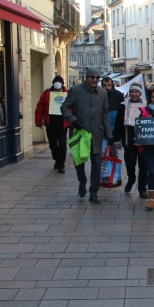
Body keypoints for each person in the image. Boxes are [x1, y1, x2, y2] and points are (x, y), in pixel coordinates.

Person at [61, 67, 113, 204]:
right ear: (87, 78)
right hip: (80, 132)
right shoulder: (76, 90)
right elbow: (64, 107)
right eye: (92, 77)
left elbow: (105, 114)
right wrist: (73, 120)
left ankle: (94, 192)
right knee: (79, 161)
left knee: (96, 164)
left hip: (96, 133)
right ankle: (82, 180)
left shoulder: (102, 93)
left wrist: (109, 134)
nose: (95, 80)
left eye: (97, 78)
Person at [115, 83, 148, 199]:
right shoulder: (123, 105)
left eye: (136, 92)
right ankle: (131, 179)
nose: (134, 94)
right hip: (128, 140)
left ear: (140, 93)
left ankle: (142, 188)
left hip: (143, 141)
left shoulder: (146, 105)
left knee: (144, 166)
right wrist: (116, 140)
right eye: (132, 92)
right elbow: (118, 123)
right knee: (130, 163)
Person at [35, 75, 70, 173]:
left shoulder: (67, 94)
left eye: (60, 82)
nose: (58, 84)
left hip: (62, 124)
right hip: (50, 124)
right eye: (56, 82)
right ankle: (57, 158)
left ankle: (61, 165)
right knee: (53, 144)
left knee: (62, 145)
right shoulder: (47, 93)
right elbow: (39, 108)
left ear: (62, 84)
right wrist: (38, 121)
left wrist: (71, 121)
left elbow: (71, 108)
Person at [101, 76, 124, 156]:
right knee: (102, 152)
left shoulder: (119, 95)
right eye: (105, 85)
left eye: (109, 85)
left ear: (112, 85)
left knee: (115, 154)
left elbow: (121, 114)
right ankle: (103, 168)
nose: (107, 87)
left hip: (115, 129)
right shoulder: (99, 95)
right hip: (103, 129)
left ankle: (115, 168)